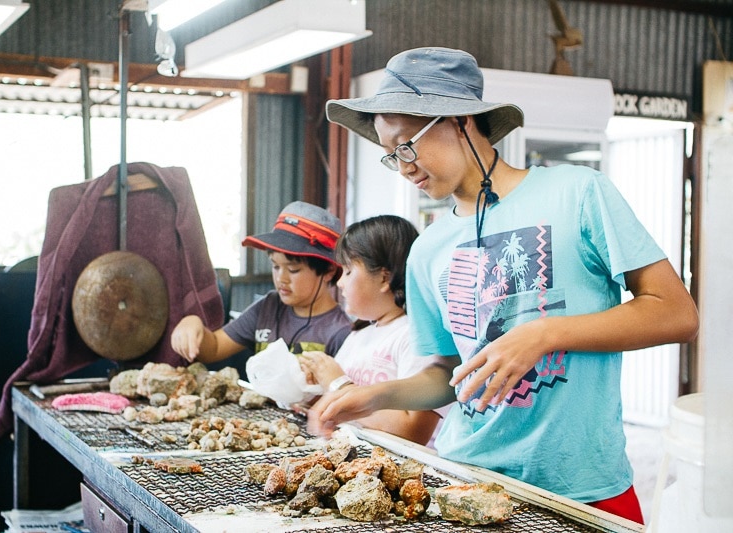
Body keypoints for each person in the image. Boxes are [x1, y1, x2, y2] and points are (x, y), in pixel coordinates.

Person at [308, 47, 699, 525]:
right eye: (391, 155)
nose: (404, 165)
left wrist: (545, 334)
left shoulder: (577, 193)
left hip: (580, 483)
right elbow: (450, 375)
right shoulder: (429, 248)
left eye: (407, 144)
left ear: (460, 121)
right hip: (467, 479)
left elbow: (676, 313)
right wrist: (376, 396)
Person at [298, 215, 447, 446]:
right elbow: (334, 399)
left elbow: (413, 431)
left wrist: (339, 386)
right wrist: (311, 386)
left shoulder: (413, 335)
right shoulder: (358, 335)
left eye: (348, 271)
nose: (340, 283)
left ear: (384, 277)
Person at [171, 201, 352, 364]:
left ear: (328, 271)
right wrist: (193, 325)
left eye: (293, 270)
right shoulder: (267, 308)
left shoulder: (340, 333)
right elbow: (216, 347)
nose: (281, 278)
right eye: (275, 266)